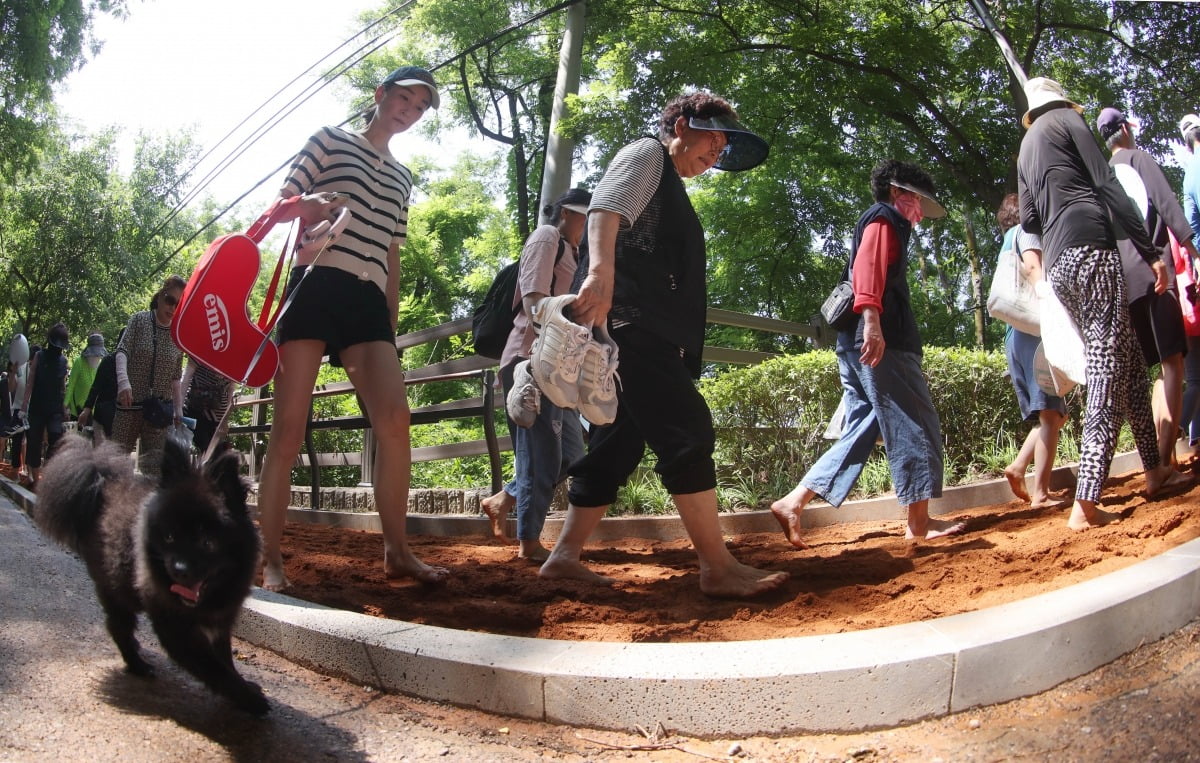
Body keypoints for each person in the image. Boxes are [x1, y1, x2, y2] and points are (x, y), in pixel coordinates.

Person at [538, 91, 789, 598]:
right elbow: (606, 207)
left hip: (641, 327)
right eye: (712, 139)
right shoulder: (646, 153)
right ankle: (717, 567)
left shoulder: (668, 181)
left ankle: (563, 557)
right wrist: (602, 273)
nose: (716, 152)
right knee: (687, 429)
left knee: (616, 443)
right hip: (632, 322)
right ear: (681, 126)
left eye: (724, 147)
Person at [257, 65, 448, 591]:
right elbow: (276, 209)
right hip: (315, 284)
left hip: (367, 299)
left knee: (394, 419)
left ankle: (398, 552)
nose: (408, 112)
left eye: (418, 108)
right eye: (403, 99)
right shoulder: (329, 140)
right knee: (289, 428)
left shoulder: (404, 177)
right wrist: (306, 206)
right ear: (381, 94)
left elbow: (392, 250)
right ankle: (271, 558)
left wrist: (389, 318)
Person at [1016, 77, 1189, 532]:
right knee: (1108, 366)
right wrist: (1151, 253)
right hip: (1092, 248)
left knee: (1129, 362)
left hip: (1059, 262)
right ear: (1061, 100)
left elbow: (1029, 218)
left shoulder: (1027, 146)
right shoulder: (1070, 121)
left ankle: (1154, 470)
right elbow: (1107, 182)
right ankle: (1086, 501)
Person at [771, 160, 964, 546]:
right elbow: (867, 268)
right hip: (880, 341)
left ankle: (795, 501)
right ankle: (920, 524)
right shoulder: (883, 218)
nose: (920, 211)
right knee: (915, 422)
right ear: (898, 193)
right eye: (917, 201)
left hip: (855, 341)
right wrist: (873, 321)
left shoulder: (887, 221)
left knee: (864, 426)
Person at [481, 188, 591, 560]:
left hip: (561, 367)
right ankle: (528, 543)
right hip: (531, 361)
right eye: (583, 215)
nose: (589, 222)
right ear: (565, 213)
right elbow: (532, 300)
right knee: (541, 454)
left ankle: (504, 498)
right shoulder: (547, 237)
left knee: (572, 456)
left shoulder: (579, 253)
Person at [1099, 107, 1200, 469]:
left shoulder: (1103, 175)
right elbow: (1168, 205)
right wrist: (1193, 251)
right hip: (1156, 273)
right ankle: (1162, 459)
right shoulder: (1139, 160)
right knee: (1173, 364)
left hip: (1125, 282)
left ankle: (1165, 456)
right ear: (1125, 129)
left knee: (1155, 365)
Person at [994, 194, 1067, 506]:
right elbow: (1034, 267)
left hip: (1015, 335)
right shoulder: (1028, 231)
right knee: (1051, 415)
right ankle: (1041, 493)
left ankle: (1019, 465)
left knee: (1054, 414)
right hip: (1033, 332)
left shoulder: (1008, 238)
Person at [113, 277, 186, 476]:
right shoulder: (139, 320)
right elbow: (122, 351)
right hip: (130, 404)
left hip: (159, 411)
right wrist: (123, 382)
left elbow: (176, 377)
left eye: (178, 304)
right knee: (116, 464)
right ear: (161, 295)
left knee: (154, 472)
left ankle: (146, 506)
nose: (172, 307)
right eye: (170, 300)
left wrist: (178, 410)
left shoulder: (178, 335)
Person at [21, 323, 71, 488]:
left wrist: (64, 407)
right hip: (37, 406)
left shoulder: (63, 361)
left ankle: (48, 472)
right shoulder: (39, 356)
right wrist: (24, 405)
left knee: (56, 436)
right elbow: (30, 381)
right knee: (34, 442)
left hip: (54, 408)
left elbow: (63, 387)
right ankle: (35, 480)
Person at [182, 356, 236, 453]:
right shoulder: (199, 352)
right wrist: (178, 409)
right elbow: (186, 379)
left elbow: (231, 390)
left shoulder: (234, 359)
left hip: (218, 416)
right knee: (207, 450)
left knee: (215, 453)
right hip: (196, 410)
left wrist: (225, 420)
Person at [78, 330, 122, 440]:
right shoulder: (108, 361)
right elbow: (96, 387)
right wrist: (86, 410)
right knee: (100, 453)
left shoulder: (136, 364)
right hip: (103, 416)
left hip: (121, 418)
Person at [65, 332, 106, 418]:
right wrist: (65, 405)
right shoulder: (79, 362)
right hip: (77, 409)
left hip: (93, 411)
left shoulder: (100, 365)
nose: (97, 357)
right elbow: (71, 385)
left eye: (99, 355)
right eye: (95, 354)